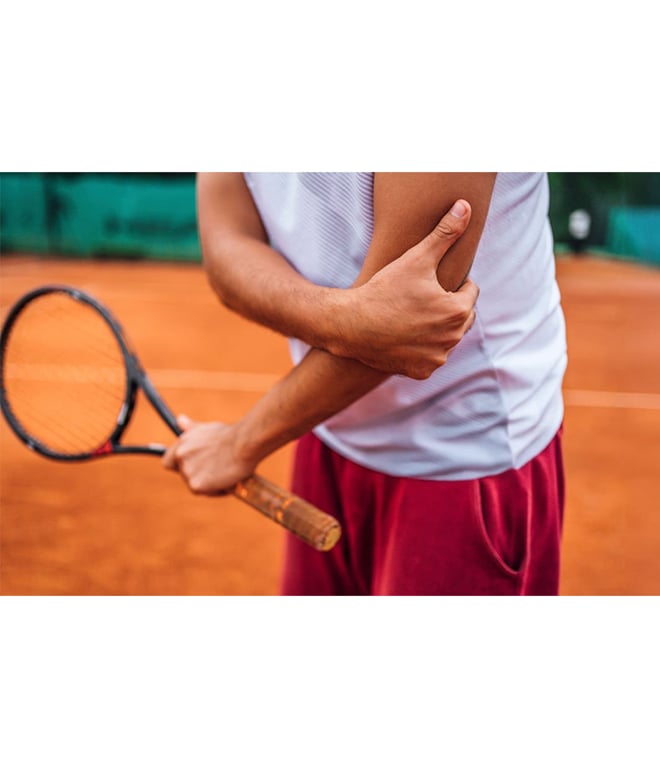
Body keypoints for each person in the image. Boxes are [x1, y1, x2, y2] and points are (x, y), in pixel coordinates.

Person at [163, 173, 567, 595]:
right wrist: (345, 320)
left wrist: (240, 444)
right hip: (324, 426)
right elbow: (228, 244)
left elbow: (409, 321)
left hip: (463, 454)